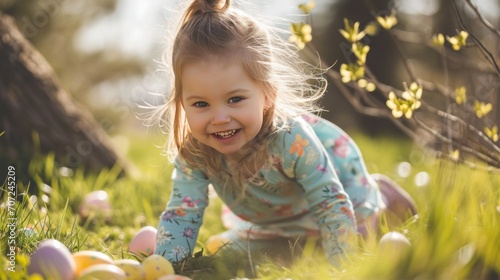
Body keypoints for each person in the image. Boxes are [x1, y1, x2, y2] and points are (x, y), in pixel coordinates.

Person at [153, 0, 416, 266]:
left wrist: (342, 268)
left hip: (338, 199)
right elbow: (183, 211)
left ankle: (382, 195)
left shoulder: (291, 140)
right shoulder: (195, 151)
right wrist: (168, 267)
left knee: (359, 240)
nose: (220, 118)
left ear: (268, 95)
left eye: (235, 100)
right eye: (201, 104)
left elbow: (330, 205)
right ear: (182, 103)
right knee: (248, 256)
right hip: (275, 222)